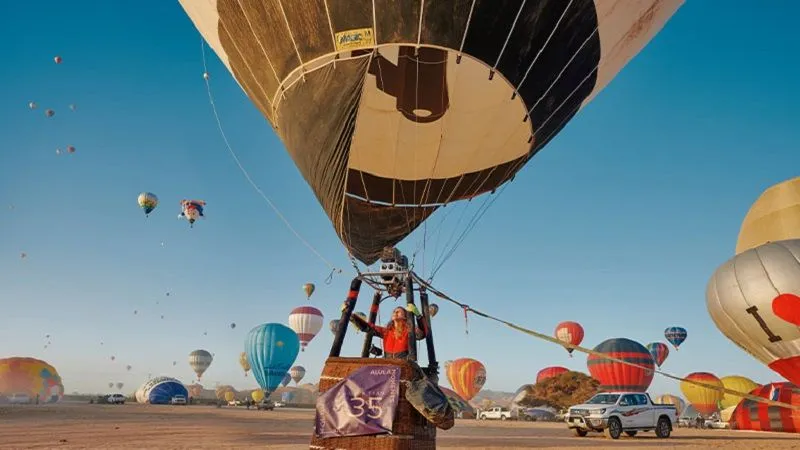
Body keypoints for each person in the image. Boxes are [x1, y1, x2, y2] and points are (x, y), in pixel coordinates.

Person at [348, 305, 427, 359]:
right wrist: (351, 316)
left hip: (403, 365)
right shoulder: (386, 332)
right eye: (394, 311)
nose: (395, 313)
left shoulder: (409, 331)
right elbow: (368, 327)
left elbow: (422, 334)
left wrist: (418, 316)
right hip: (387, 365)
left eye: (398, 311)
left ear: (405, 316)